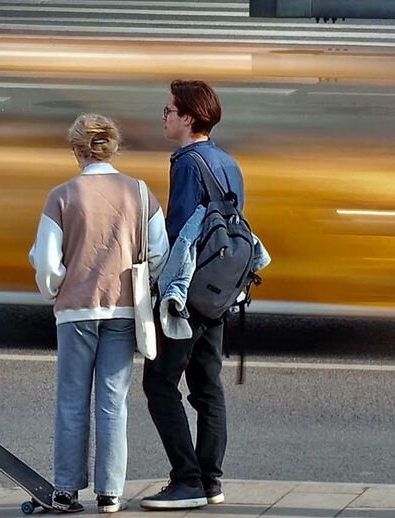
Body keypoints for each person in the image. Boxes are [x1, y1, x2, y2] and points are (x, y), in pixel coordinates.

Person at [30, 113, 169, 514]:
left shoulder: (62, 195)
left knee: (72, 399)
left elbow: (47, 262)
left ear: (77, 149)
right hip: (124, 308)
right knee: (113, 400)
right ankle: (110, 493)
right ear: (114, 146)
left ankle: (67, 489)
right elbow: (158, 252)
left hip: (76, 311)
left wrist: (55, 288)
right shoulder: (140, 193)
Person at [140, 80, 246, 510]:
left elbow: (180, 233)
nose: (163, 116)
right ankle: (211, 480)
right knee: (207, 387)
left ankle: (186, 481)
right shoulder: (227, 160)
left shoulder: (186, 163)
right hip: (220, 290)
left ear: (188, 117)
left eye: (168, 110)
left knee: (159, 383)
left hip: (190, 291)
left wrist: (159, 286)